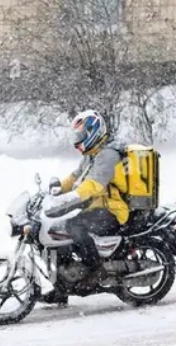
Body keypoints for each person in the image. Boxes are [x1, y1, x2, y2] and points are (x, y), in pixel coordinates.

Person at [41, 109, 130, 305]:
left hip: (114, 209)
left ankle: (95, 269)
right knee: (58, 229)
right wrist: (56, 190)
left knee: (73, 226)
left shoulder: (108, 154)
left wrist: (72, 197)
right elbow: (76, 177)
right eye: (77, 136)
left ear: (93, 132)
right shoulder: (93, 153)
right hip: (96, 205)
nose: (77, 141)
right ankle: (62, 287)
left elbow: (93, 185)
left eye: (81, 136)